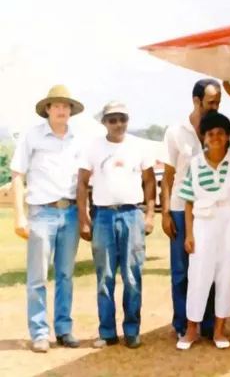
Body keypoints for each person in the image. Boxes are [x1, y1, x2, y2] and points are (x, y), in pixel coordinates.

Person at [161, 79, 230, 340]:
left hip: (217, 215)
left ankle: (209, 325)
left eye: (219, 101)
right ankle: (183, 325)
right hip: (181, 207)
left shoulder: (221, 126)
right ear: (196, 101)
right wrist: (164, 213)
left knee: (214, 268)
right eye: (211, 102)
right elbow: (168, 175)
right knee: (182, 272)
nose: (216, 106)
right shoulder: (175, 131)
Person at [76, 101, 156, 349]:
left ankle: (132, 330)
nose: (118, 124)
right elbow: (81, 184)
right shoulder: (93, 148)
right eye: (112, 120)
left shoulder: (139, 146)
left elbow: (150, 182)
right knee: (105, 277)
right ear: (104, 122)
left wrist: (150, 215)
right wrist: (84, 218)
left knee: (132, 276)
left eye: (122, 119)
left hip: (132, 214)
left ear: (128, 120)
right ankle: (107, 332)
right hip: (103, 216)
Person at [10, 85, 84, 353]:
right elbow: (17, 176)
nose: (62, 110)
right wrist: (19, 215)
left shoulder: (78, 139)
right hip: (41, 212)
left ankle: (64, 329)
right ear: (48, 109)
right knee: (38, 277)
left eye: (66, 105)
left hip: (71, 211)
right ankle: (40, 332)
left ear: (71, 111)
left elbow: (85, 181)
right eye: (56, 105)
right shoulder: (32, 136)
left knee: (66, 275)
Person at [175, 110, 230, 350]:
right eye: (211, 134)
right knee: (199, 275)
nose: (216, 137)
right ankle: (191, 331)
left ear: (228, 136)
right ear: (204, 137)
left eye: (221, 133)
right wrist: (189, 234)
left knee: (227, 275)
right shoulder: (196, 164)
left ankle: (220, 331)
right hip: (203, 221)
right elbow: (188, 201)